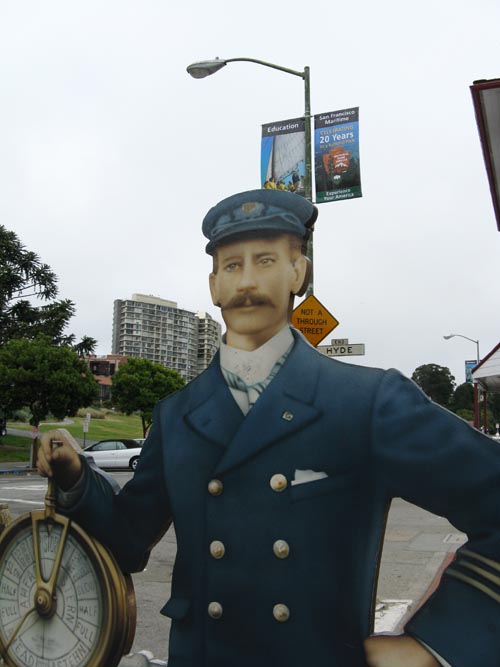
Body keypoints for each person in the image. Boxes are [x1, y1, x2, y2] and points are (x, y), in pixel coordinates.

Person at [38, 189, 500, 667]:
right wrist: (75, 477)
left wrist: (435, 646)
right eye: (233, 266)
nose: (247, 283)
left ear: (297, 273)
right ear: (214, 285)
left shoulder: (366, 401)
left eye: (265, 261)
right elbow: (127, 541)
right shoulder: (178, 415)